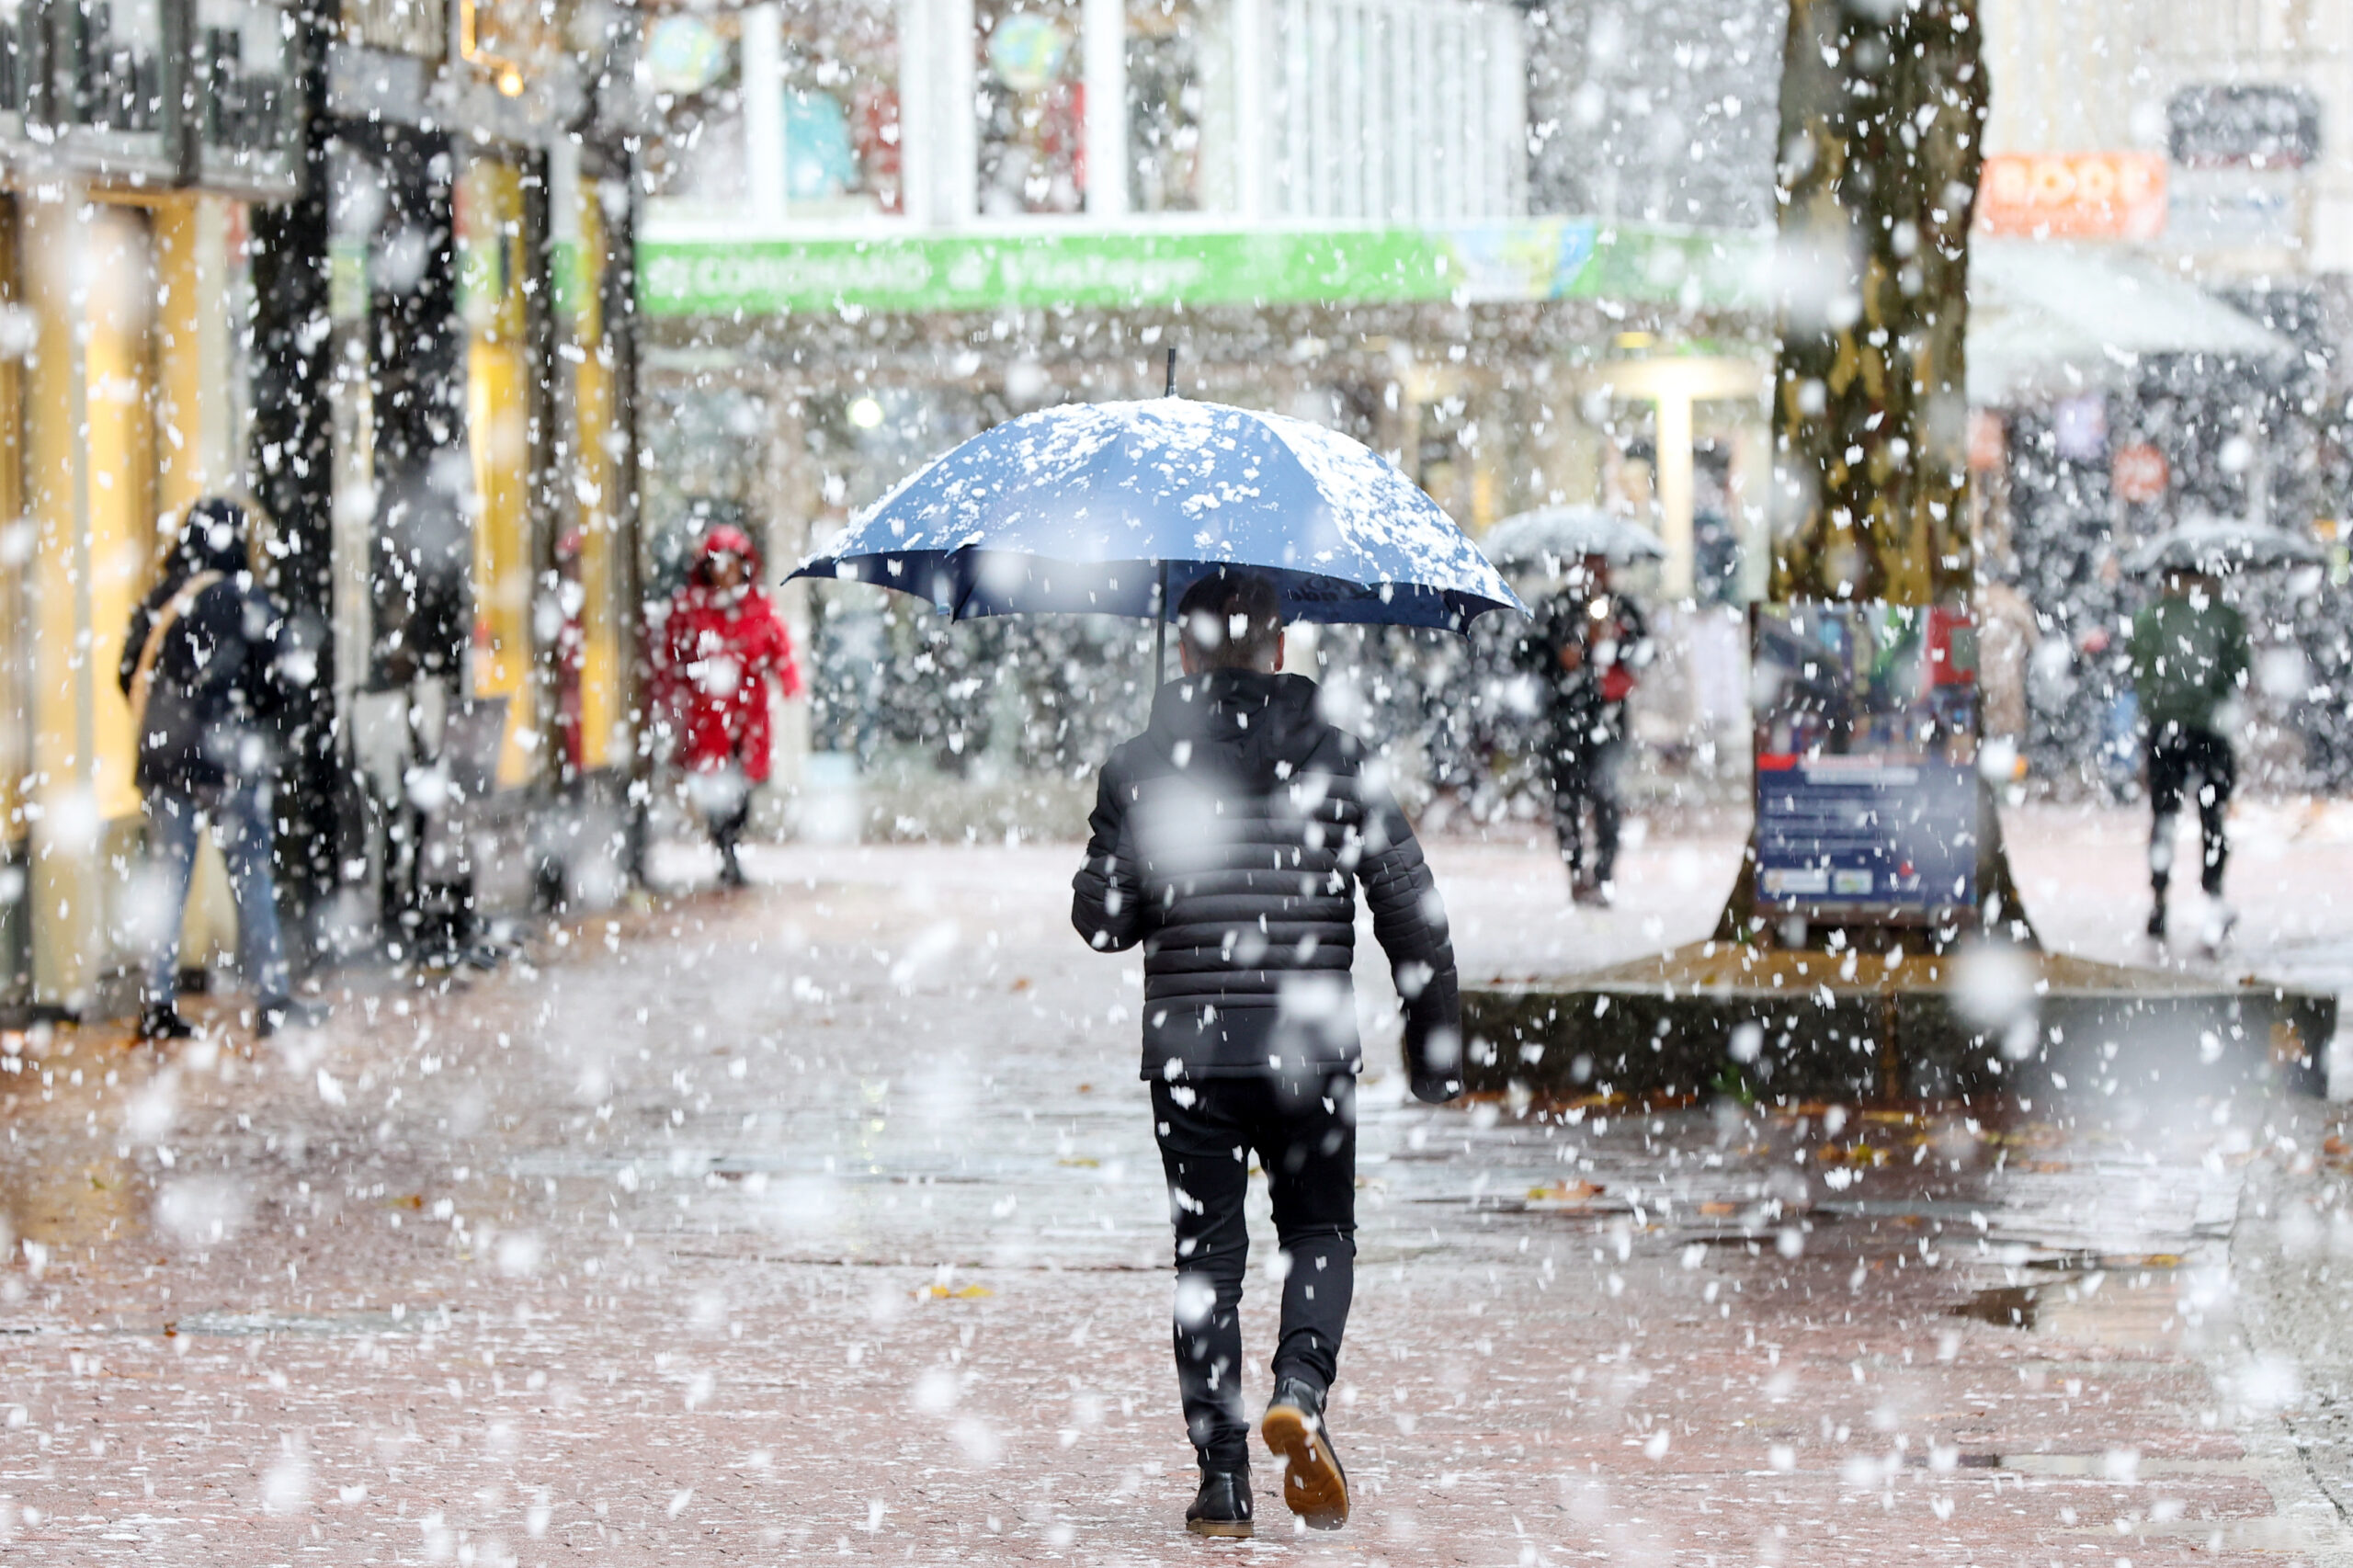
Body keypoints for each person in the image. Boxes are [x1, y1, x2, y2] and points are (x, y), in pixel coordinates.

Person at [1072, 570, 1462, 1540]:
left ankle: (1222, 1480)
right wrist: (1436, 1051)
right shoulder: (1340, 753)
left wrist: (1118, 834)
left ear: (1186, 651)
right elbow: (1414, 916)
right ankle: (1299, 1386)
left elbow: (1103, 923)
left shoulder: (1140, 763)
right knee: (1321, 1232)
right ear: (1280, 650)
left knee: (1206, 1254)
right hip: (1309, 1049)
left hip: (1188, 1056)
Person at [119, 497, 318, 1040]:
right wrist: (250, 722)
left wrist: (173, 723)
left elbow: (125, 669)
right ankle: (270, 1000)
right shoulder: (246, 599)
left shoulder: (164, 600)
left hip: (165, 762)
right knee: (252, 877)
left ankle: (157, 1004)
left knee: (167, 883)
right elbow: (285, 680)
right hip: (229, 763)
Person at [654, 525, 801, 888]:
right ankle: (726, 849)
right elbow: (671, 656)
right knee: (715, 786)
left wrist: (789, 681)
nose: (725, 572)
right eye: (718, 564)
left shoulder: (758, 605)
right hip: (707, 716)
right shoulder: (690, 606)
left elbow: (778, 647)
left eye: (732, 564)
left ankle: (732, 842)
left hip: (748, 714)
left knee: (743, 786)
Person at [1518, 551, 1650, 904]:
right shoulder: (1556, 607)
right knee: (1566, 800)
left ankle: (1604, 874)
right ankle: (1576, 872)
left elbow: (1644, 651)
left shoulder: (1623, 608)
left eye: (1600, 564)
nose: (1594, 572)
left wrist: (1614, 647)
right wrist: (1560, 658)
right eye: (1587, 564)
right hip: (1564, 721)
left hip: (1608, 719)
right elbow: (1528, 655)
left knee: (1606, 794)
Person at [2128, 565, 2251, 942]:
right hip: (2211, 730)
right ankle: (2213, 894)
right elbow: (2239, 671)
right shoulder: (2226, 618)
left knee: (2164, 814)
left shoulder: (2149, 618)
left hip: (2164, 729)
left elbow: (2139, 671)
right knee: (2213, 817)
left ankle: (2159, 898)